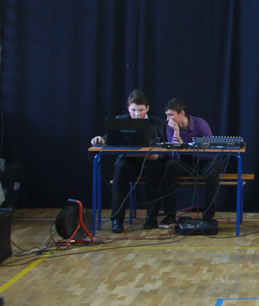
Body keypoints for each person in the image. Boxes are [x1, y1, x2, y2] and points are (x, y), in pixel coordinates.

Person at [90, 89, 166, 232]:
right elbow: (110, 137)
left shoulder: (159, 123)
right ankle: (117, 220)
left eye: (140, 110)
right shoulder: (121, 120)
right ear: (128, 108)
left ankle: (151, 218)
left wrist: (158, 156)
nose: (137, 114)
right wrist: (101, 139)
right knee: (121, 170)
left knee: (155, 171)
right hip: (128, 160)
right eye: (133, 110)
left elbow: (167, 147)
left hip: (150, 161)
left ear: (147, 108)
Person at [160, 98, 236, 233]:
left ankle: (208, 217)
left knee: (212, 171)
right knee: (169, 166)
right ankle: (170, 216)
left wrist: (189, 149)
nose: (167, 119)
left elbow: (212, 154)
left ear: (181, 113)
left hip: (203, 161)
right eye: (166, 115)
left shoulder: (200, 124)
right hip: (184, 162)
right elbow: (174, 157)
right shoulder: (170, 128)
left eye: (170, 115)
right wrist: (176, 134)